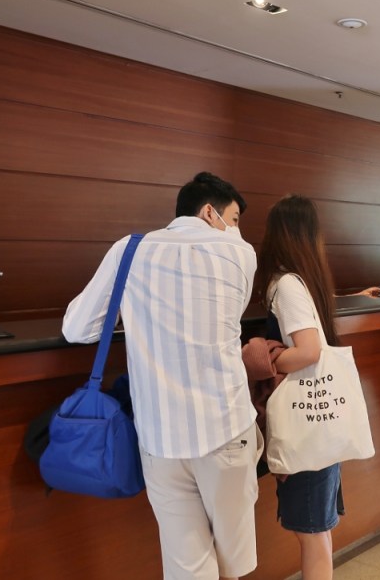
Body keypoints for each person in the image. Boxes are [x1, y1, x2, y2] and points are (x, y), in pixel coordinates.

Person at [62, 172, 261, 580]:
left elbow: (77, 329)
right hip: (226, 428)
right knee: (233, 562)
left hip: (159, 437)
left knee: (187, 565)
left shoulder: (128, 250)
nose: (237, 229)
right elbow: (229, 315)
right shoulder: (241, 254)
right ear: (210, 211)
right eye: (235, 217)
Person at [255, 195, 346, 580]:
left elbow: (307, 351)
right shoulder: (307, 280)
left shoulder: (286, 284)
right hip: (319, 418)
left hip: (305, 422)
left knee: (309, 531)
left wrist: (266, 360)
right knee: (317, 529)